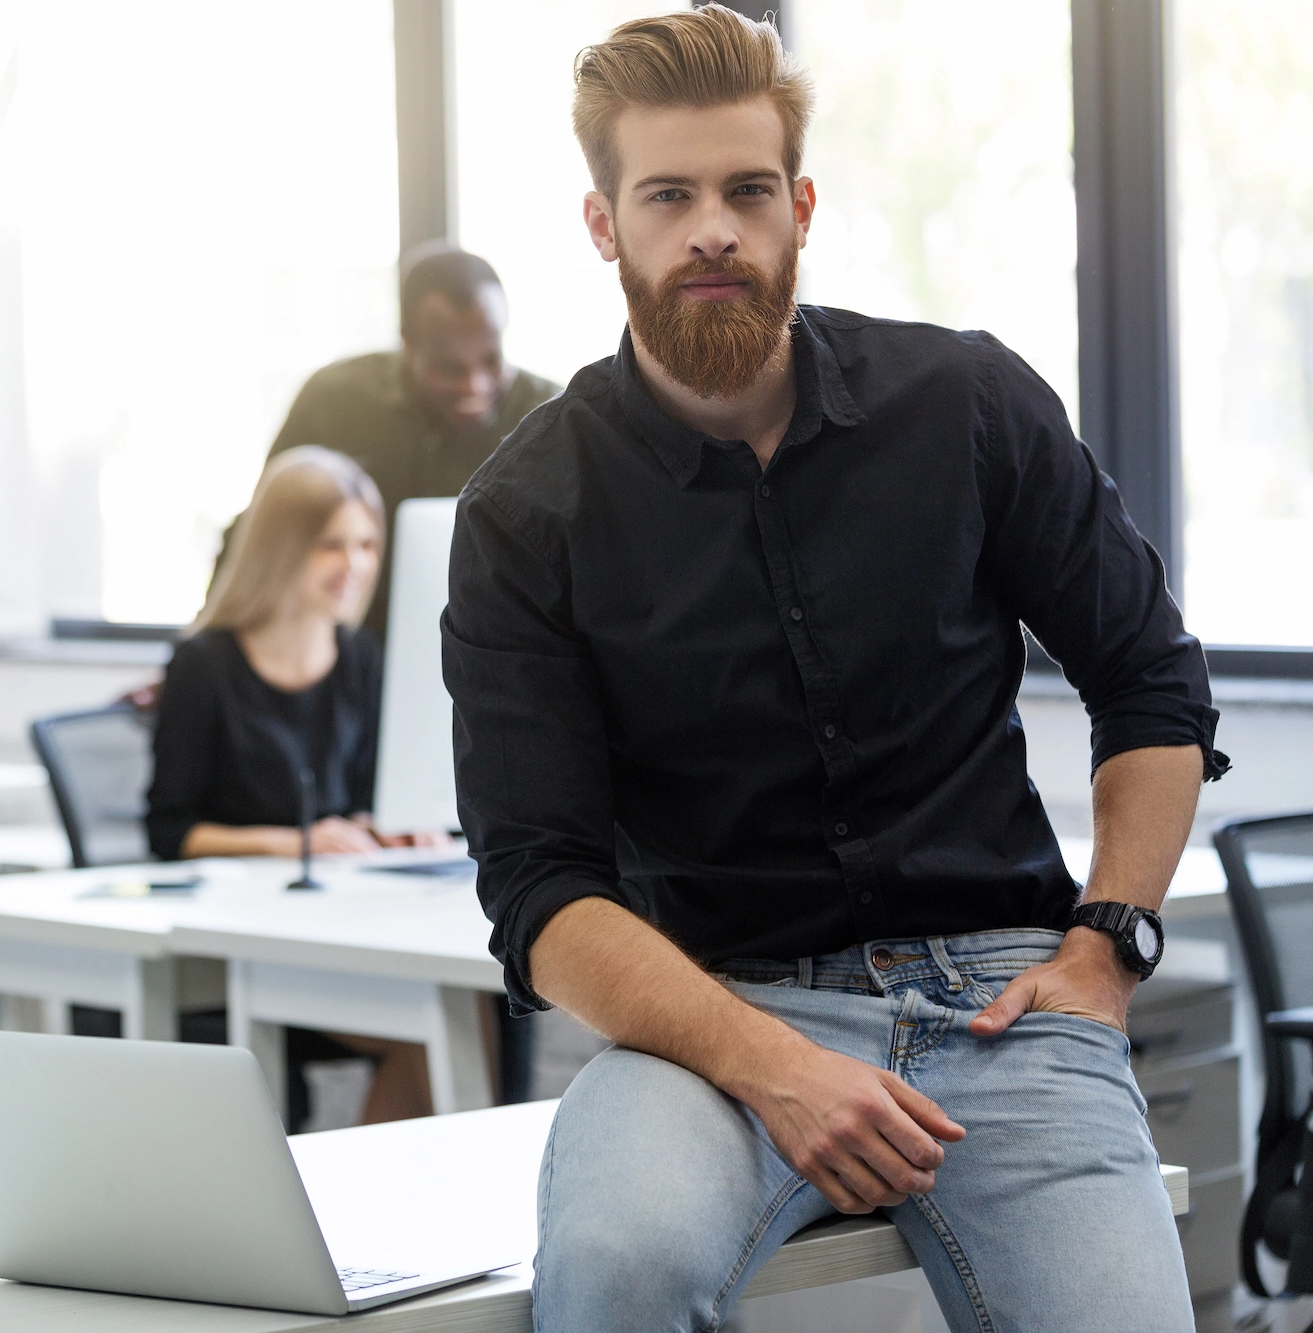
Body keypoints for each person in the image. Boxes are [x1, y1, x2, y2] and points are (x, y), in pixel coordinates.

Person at [441, 9, 1228, 1331]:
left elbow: (1151, 681)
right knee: (618, 1277)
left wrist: (1108, 947)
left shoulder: (967, 404)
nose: (715, 231)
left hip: (1003, 1006)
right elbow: (538, 894)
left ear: (799, 205)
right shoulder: (529, 505)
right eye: (669, 195)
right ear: (603, 225)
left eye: (748, 191)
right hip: (705, 1018)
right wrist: (772, 1063)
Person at [148, 446, 442, 1122]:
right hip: (239, 949)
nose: (356, 565)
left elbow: (362, 798)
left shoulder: (360, 659)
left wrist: (386, 825)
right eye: (330, 545)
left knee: (463, 1013)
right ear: (283, 549)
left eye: (368, 544)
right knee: (434, 1030)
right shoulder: (203, 666)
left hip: (340, 930)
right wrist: (295, 843)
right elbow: (170, 831)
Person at [260, 247, 561, 638]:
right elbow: (262, 534)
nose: (475, 386)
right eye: (450, 368)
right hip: (343, 644)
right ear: (407, 345)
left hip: (496, 643)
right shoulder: (333, 400)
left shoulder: (549, 417)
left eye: (491, 361)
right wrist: (198, 650)